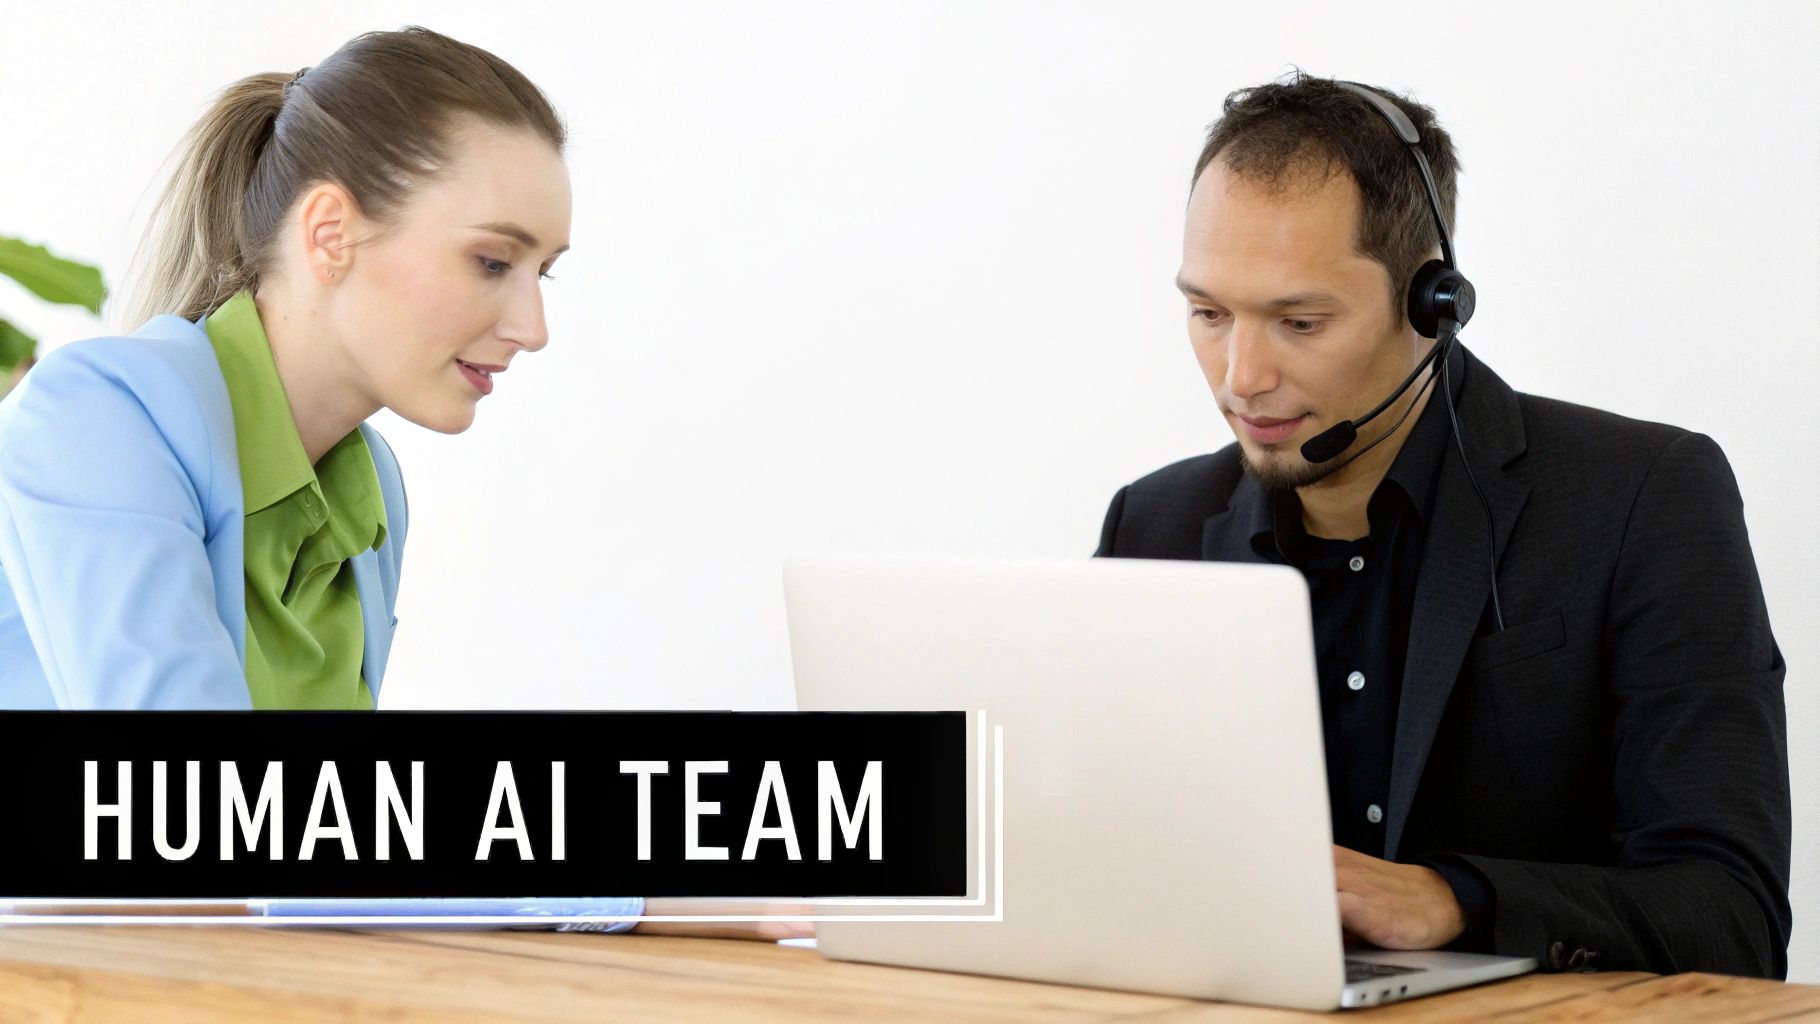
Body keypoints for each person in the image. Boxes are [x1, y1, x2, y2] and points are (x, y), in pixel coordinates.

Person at [0, 25, 800, 942]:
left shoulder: (367, 489)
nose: (533, 325)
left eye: (543, 272)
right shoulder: (98, 417)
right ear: (330, 234)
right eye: (493, 262)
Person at [1094, 73, 1790, 977]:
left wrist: (1454, 899)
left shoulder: (1644, 498)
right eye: (1209, 314)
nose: (1241, 376)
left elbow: (1730, 917)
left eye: (1300, 322)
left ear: (1434, 306)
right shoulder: (1152, 526)